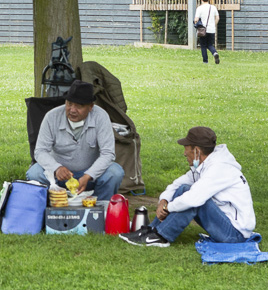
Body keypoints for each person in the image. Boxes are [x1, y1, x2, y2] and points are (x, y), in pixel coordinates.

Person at [121, 126, 255, 248]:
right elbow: (177, 184)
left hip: (235, 235)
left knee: (192, 196)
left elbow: (193, 200)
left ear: (196, 151)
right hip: (227, 227)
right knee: (183, 188)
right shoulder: (206, 165)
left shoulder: (219, 168)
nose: (184, 153)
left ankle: (162, 236)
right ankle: (153, 230)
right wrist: (164, 200)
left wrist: (168, 208)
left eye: (186, 147)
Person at [27, 80, 124, 200]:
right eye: (69, 104)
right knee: (34, 173)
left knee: (115, 172)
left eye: (79, 106)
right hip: (58, 176)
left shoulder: (101, 116)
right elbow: (40, 151)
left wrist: (89, 175)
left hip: (90, 175)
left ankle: (100, 208)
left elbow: (108, 154)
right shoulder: (51, 117)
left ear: (90, 107)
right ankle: (47, 208)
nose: (72, 110)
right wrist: (56, 168)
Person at [194, 0, 220, 65]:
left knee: (203, 46)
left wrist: (196, 23)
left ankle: (205, 61)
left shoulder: (199, 8)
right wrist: (213, 24)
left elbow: (196, 19)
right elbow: (217, 18)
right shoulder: (213, 7)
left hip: (203, 30)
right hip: (211, 29)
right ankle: (214, 53)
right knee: (210, 44)